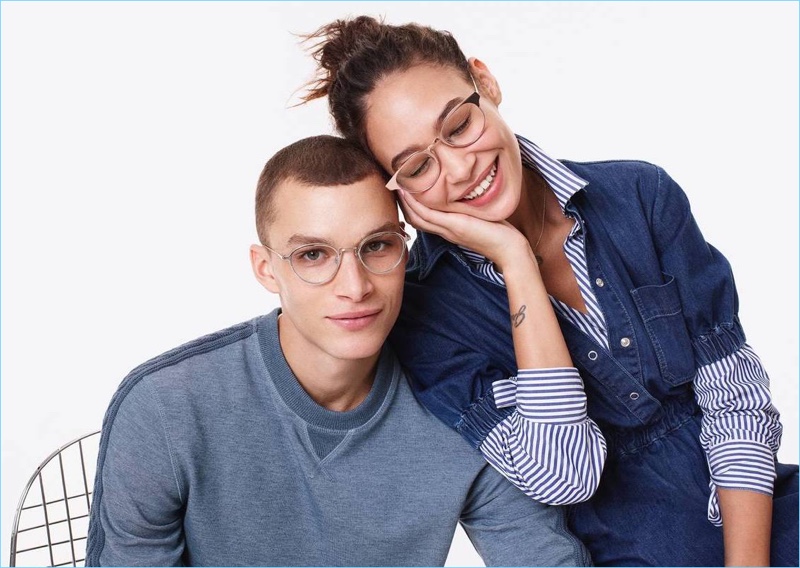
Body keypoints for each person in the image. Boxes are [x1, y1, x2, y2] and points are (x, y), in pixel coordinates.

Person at [299, 16, 800, 567]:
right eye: (418, 166)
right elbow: (567, 475)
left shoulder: (640, 196)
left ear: (484, 83)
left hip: (766, 516)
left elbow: (736, 402)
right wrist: (516, 263)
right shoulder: (425, 316)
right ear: (396, 191)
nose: (461, 168)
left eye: (460, 125)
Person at [84, 135, 591, 566]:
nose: (354, 287)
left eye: (377, 246)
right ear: (266, 269)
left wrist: (512, 253)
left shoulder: (464, 399)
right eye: (313, 254)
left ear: (404, 247)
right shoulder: (165, 410)